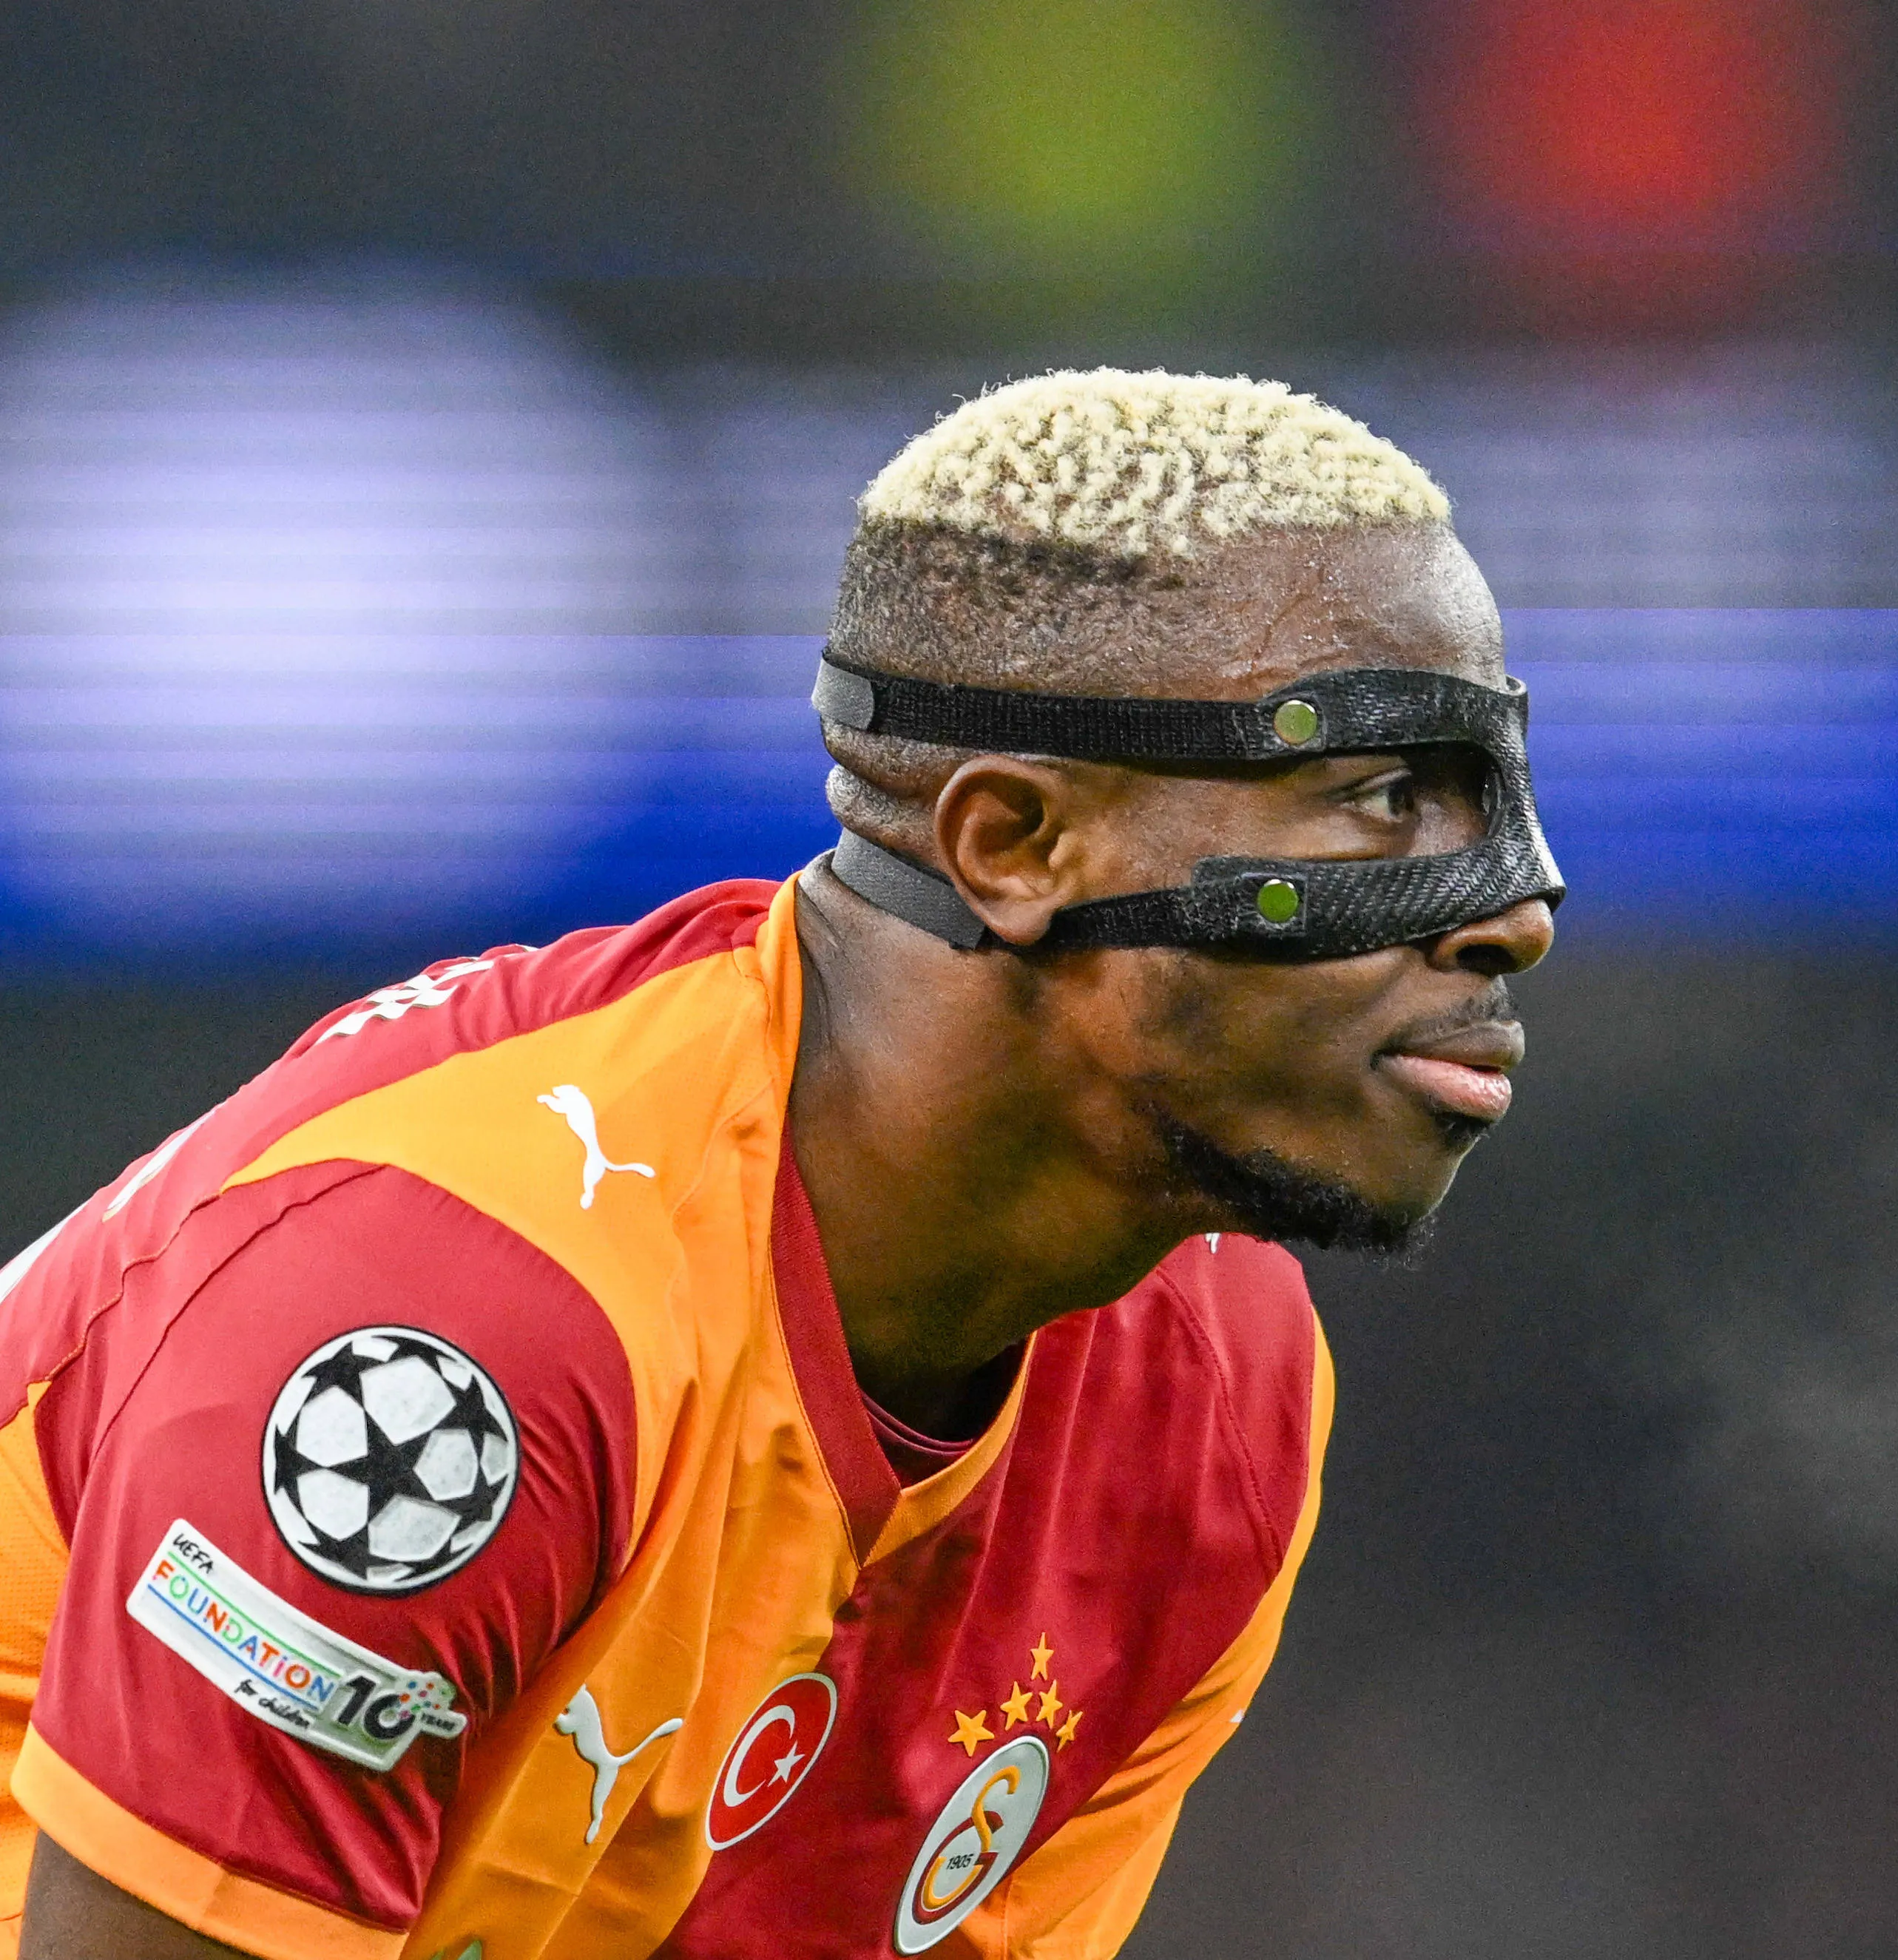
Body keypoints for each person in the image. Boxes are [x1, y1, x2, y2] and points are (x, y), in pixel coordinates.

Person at [0, 369, 1559, 1960]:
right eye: (1385, 796)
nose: (1516, 910)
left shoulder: (1220, 1394)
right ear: (1014, 844)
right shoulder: (461, 1314)